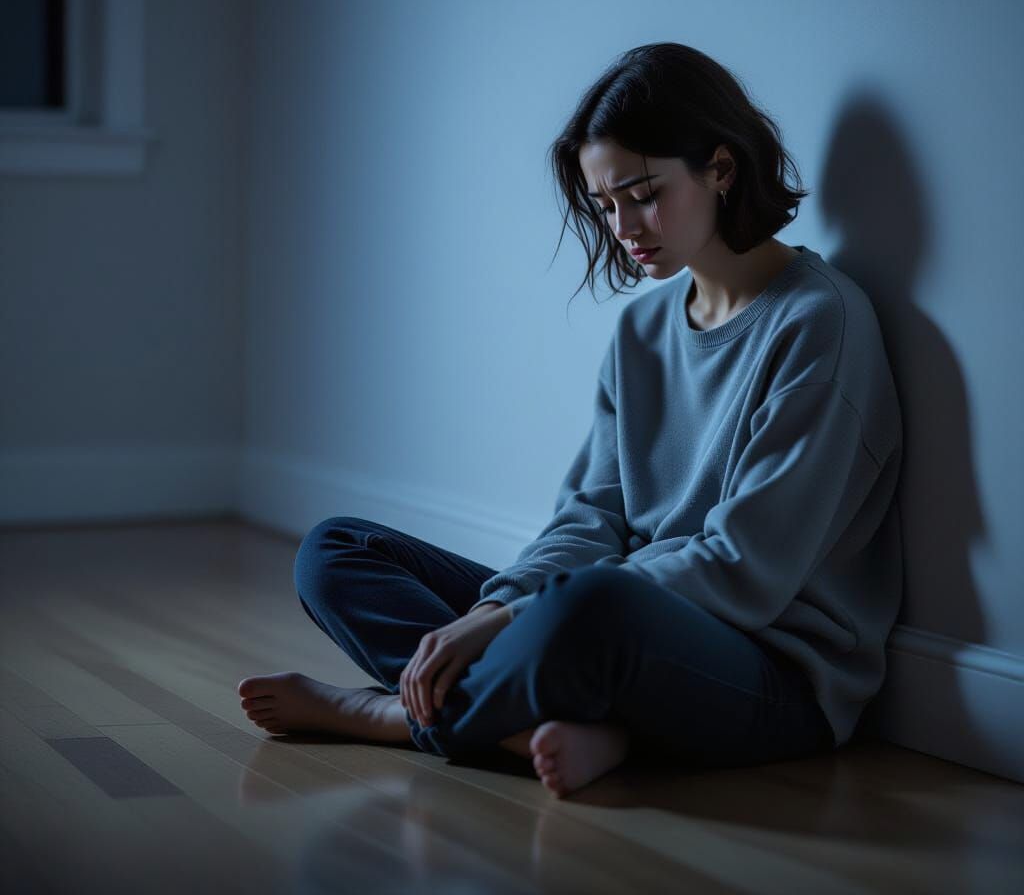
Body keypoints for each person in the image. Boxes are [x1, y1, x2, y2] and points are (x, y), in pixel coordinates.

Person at [237, 42, 903, 800]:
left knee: (588, 607)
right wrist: (496, 606)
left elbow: (744, 570)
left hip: (772, 675)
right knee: (336, 550)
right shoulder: (644, 333)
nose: (624, 225)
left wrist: (510, 617)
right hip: (618, 624)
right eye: (606, 203)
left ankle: (390, 715)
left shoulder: (823, 324)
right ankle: (548, 729)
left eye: (643, 193)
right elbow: (591, 517)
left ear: (721, 168)